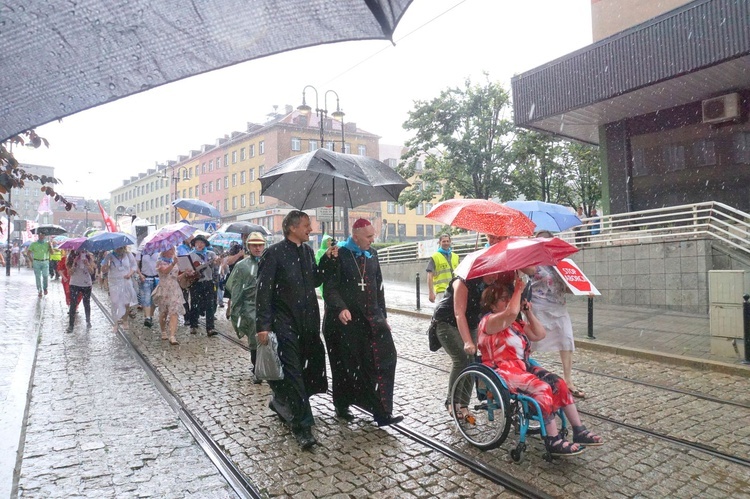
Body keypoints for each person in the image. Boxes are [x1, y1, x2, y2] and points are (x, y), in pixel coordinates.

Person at [477, 278, 603, 457]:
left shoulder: (515, 323)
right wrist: (518, 289)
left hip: (523, 366)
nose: (507, 301)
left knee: (558, 383)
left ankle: (579, 430)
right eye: (503, 298)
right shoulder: (489, 322)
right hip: (502, 369)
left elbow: (539, 334)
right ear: (492, 305)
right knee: (542, 388)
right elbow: (511, 311)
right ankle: (552, 439)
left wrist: (528, 312)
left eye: (508, 297)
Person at [256, 210, 337, 449]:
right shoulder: (274, 254)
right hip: (285, 322)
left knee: (307, 368)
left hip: (308, 321)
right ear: (292, 228)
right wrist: (263, 326)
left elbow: (315, 280)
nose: (310, 229)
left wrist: (328, 260)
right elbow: (264, 292)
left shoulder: (308, 251)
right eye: (306, 225)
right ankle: (302, 426)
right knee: (292, 371)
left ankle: (282, 402)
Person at [321, 219, 402, 427]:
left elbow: (378, 288)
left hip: (371, 319)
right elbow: (329, 288)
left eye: (372, 236)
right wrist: (340, 308)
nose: (372, 240)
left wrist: (383, 317)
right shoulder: (338, 254)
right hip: (345, 323)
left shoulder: (372, 254)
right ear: (355, 236)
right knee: (346, 366)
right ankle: (342, 404)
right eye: (368, 237)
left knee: (383, 359)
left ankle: (382, 411)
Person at [431, 272, 505, 420]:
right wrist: (467, 341)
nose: (494, 277)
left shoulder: (489, 286)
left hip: (471, 324)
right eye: (492, 273)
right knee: (462, 359)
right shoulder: (462, 282)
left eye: (497, 274)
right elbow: (459, 313)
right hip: (446, 322)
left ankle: (464, 404)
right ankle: (451, 401)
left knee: (472, 363)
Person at [529, 230, 584, 398]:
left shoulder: (561, 263)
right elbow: (524, 276)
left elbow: (567, 287)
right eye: (541, 242)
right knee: (532, 343)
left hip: (559, 307)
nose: (544, 244)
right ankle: (522, 372)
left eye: (547, 241)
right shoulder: (531, 261)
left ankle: (568, 381)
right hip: (539, 306)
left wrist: (583, 289)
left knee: (566, 340)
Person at [225, 232, 266, 383]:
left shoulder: (269, 261)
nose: (257, 248)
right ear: (248, 246)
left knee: (269, 338)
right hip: (250, 307)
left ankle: (267, 366)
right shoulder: (242, 266)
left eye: (260, 245)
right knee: (255, 338)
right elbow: (235, 289)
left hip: (268, 306)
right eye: (254, 245)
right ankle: (257, 368)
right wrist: (235, 310)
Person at [188, 234, 219, 336]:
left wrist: (217, 262)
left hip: (208, 281)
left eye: (202, 242)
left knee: (210, 305)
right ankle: (193, 325)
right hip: (195, 282)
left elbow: (216, 266)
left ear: (205, 244)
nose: (199, 245)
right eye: (197, 243)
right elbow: (186, 268)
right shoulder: (190, 255)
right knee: (194, 304)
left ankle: (210, 328)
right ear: (194, 244)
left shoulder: (211, 254)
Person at [102, 245, 139, 331]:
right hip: (114, 282)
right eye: (117, 247)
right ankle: (115, 322)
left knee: (126, 302)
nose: (119, 249)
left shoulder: (128, 254)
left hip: (126, 281)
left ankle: (125, 320)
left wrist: (130, 274)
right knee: (115, 302)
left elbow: (134, 266)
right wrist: (107, 263)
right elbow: (104, 270)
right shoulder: (109, 255)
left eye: (121, 247)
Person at [152, 246, 183, 345]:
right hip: (164, 289)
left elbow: (175, 276)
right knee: (163, 312)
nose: (172, 252)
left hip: (174, 289)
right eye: (170, 250)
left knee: (174, 311)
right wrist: (173, 263)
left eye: (173, 250)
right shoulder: (160, 262)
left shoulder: (174, 261)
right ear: (164, 251)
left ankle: (172, 335)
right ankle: (163, 331)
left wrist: (185, 273)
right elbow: (165, 271)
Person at [66, 249, 96, 332]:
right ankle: (71, 325)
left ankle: (88, 321)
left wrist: (87, 264)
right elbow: (69, 273)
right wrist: (74, 264)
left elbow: (92, 271)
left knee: (86, 303)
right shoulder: (71, 257)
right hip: (74, 283)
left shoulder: (89, 256)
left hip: (86, 284)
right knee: (73, 304)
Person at [427, 234, 459, 303]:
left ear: (450, 242)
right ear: (440, 242)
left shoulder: (456, 256)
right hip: (442, 292)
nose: (446, 243)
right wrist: (430, 292)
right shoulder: (435, 257)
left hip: (455, 290)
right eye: (444, 241)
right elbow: (430, 276)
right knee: (443, 313)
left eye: (447, 241)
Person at [137, 250, 160, 328]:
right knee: (146, 299)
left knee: (154, 300)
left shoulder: (158, 252)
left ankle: (150, 316)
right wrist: (140, 275)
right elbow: (136, 265)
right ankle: (148, 318)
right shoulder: (141, 253)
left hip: (156, 278)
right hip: (145, 278)